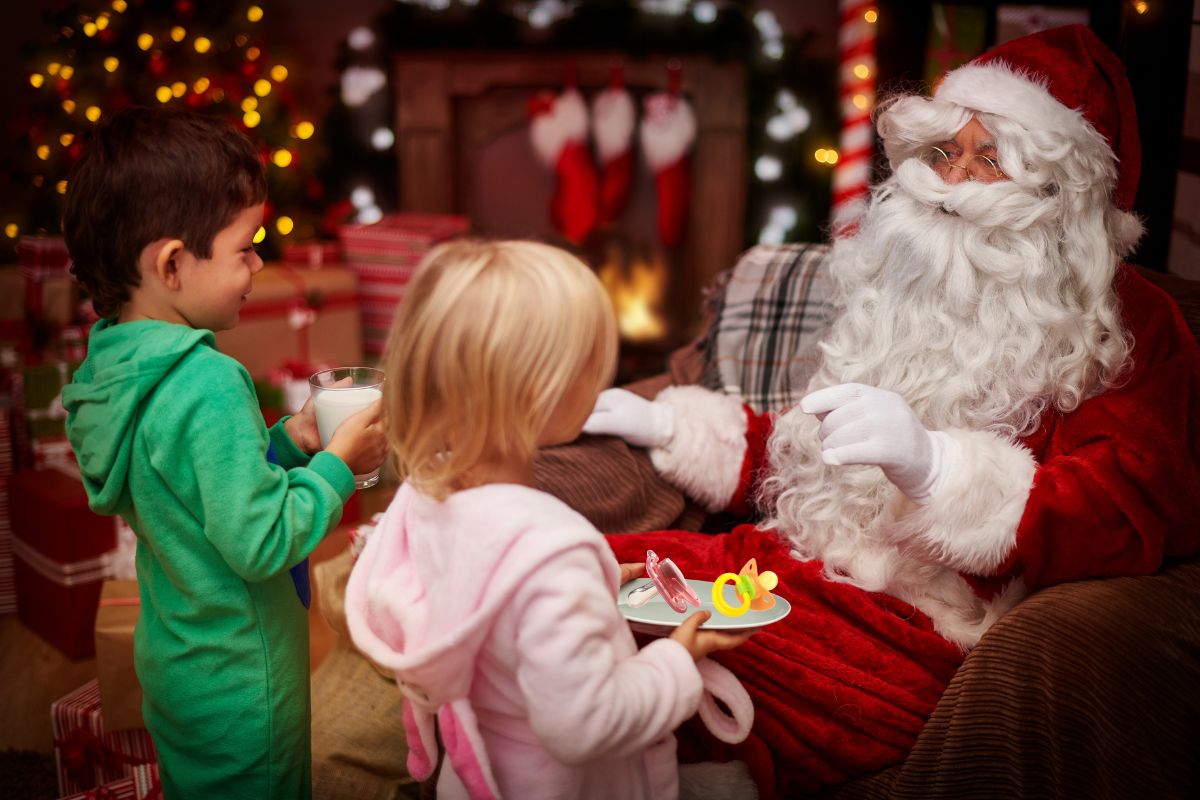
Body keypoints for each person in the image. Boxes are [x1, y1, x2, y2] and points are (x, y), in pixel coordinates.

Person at [582, 24, 1200, 796]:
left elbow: (1134, 505)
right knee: (564, 570)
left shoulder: (1127, 323)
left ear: (1061, 196)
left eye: (991, 159)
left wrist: (939, 471)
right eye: (944, 154)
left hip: (914, 633)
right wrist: (675, 426)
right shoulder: (905, 283)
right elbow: (817, 453)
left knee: (625, 669)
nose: (952, 182)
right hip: (781, 573)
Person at [343, 239, 757, 800]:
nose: (603, 373)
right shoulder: (554, 551)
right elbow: (584, 725)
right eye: (588, 358)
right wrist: (677, 660)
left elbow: (485, 597)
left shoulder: (424, 496)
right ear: (538, 388)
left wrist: (600, 585)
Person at [61, 106, 388, 799]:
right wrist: (337, 466)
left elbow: (188, 485)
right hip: (244, 683)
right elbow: (263, 539)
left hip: (181, 662)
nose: (258, 264)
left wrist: (289, 442)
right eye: (245, 248)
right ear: (173, 263)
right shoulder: (206, 380)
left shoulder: (119, 367)